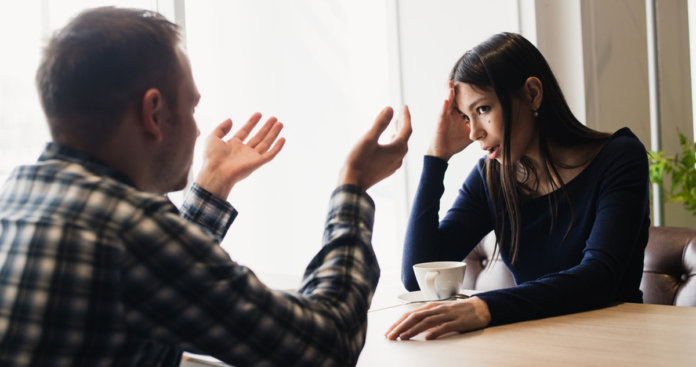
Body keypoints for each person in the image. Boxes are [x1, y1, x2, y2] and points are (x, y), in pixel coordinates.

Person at [0, 7, 411, 366]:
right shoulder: (127, 232)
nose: (198, 128)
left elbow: (153, 278)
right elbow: (327, 345)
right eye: (193, 106)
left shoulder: (18, 196)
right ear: (154, 112)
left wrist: (212, 184)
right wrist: (354, 187)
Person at [386, 32, 650, 341]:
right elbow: (418, 276)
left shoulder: (620, 157)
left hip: (617, 343)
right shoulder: (491, 176)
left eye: (482, 109)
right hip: (534, 343)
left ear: (533, 93)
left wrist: (484, 307)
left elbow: (599, 277)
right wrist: (436, 159)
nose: (474, 134)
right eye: (466, 118)